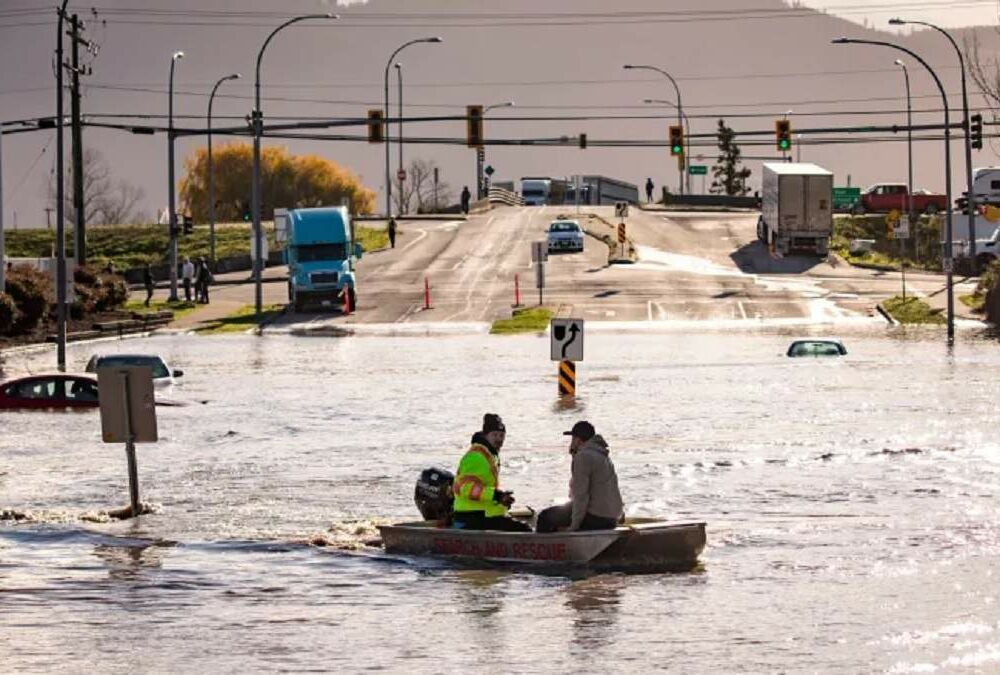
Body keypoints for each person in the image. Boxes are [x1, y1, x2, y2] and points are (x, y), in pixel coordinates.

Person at [535, 421, 624, 533]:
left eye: (573, 439)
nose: (571, 442)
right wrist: (574, 456)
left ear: (577, 440)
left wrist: (574, 526)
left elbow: (580, 496)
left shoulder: (583, 457)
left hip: (597, 518)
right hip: (612, 518)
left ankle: (544, 543)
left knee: (544, 517)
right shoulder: (602, 455)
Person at [451, 413, 531, 532]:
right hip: (471, 517)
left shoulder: (490, 455)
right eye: (494, 435)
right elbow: (465, 488)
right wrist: (496, 495)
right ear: (485, 435)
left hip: (483, 514)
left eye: (502, 435)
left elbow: (485, 487)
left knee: (520, 525)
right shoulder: (476, 457)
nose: (499, 439)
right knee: (524, 529)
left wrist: (501, 499)